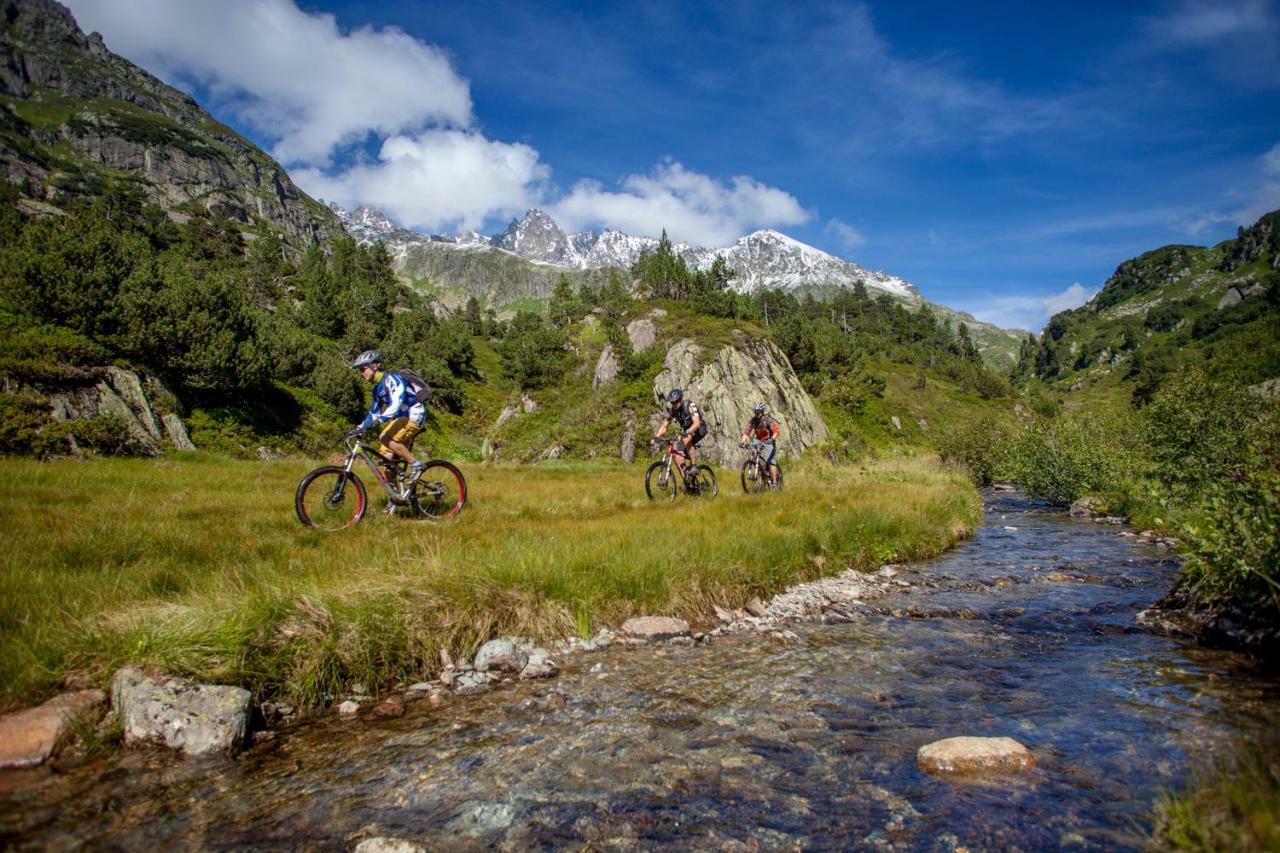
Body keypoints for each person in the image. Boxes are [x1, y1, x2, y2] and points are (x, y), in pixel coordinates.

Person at [348, 350, 426, 482]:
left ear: (375, 366)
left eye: (363, 369)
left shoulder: (391, 379)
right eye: (359, 371)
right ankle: (395, 497)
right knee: (386, 457)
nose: (361, 373)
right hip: (401, 419)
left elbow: (396, 403)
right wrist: (359, 427)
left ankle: (416, 465)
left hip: (414, 414)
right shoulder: (376, 389)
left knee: (385, 437)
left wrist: (379, 420)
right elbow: (373, 413)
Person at [653, 388, 706, 479]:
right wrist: (656, 437)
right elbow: (664, 426)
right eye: (672, 403)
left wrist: (687, 432)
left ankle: (694, 466)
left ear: (681, 399)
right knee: (675, 452)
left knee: (686, 440)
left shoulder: (690, 405)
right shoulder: (673, 411)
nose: (674, 404)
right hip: (687, 430)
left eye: (676, 402)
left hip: (699, 428)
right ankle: (686, 476)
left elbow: (696, 423)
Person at [740, 401, 781, 487]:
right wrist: (742, 442)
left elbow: (776, 431)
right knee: (755, 455)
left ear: (762, 412)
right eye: (755, 412)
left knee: (771, 462)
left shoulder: (767, 419)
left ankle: (774, 484)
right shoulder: (753, 420)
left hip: (768, 441)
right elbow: (747, 432)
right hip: (759, 441)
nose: (756, 414)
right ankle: (759, 478)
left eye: (758, 412)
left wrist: (772, 439)